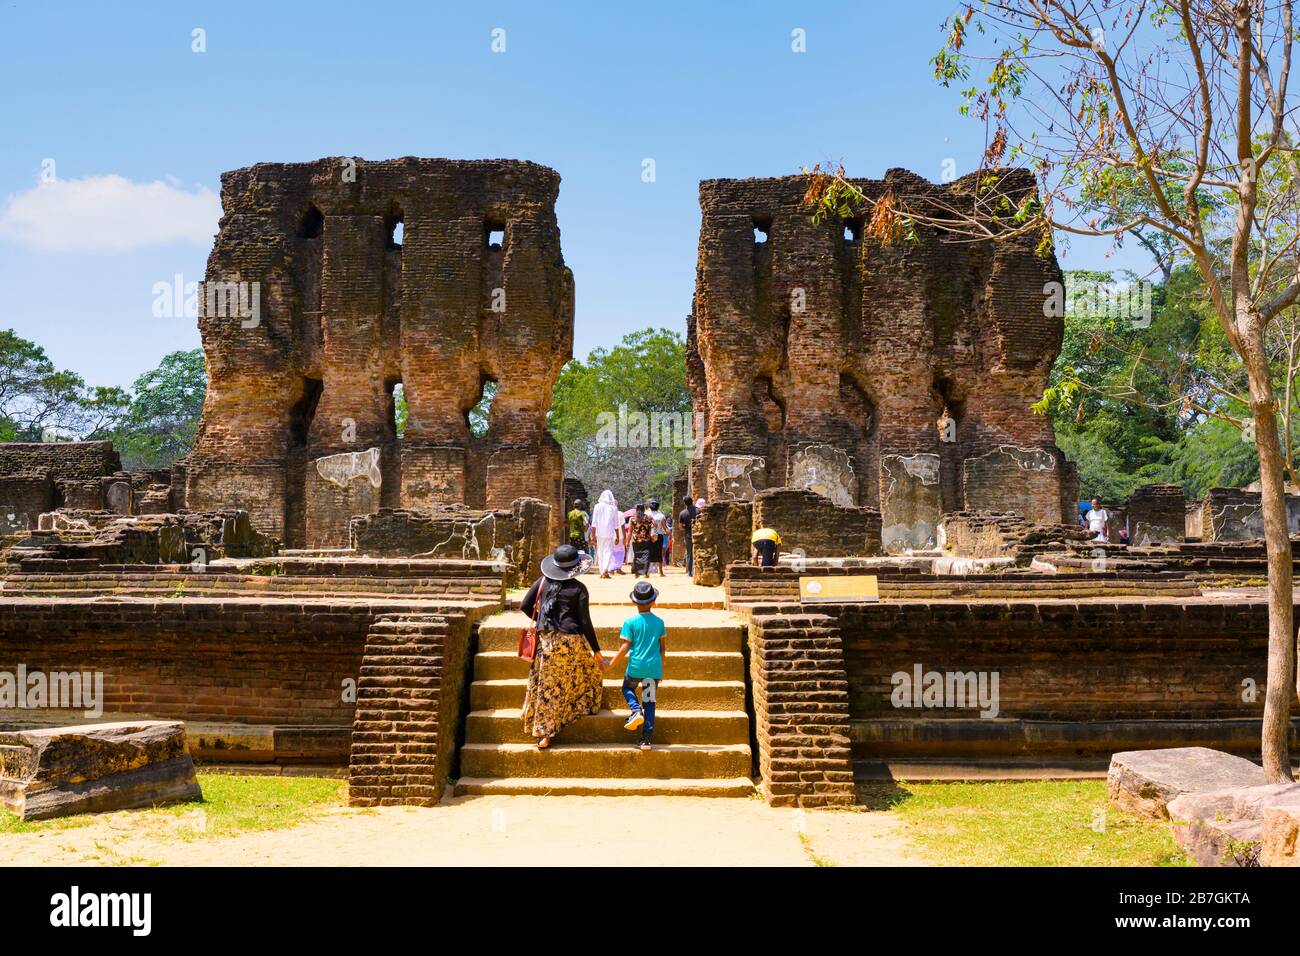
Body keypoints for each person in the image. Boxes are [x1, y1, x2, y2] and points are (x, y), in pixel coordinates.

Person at [519, 544, 604, 750]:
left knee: (548, 687)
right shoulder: (579, 589)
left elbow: (524, 605)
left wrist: (542, 620)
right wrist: (597, 650)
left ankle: (544, 734)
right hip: (571, 642)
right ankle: (577, 707)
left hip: (547, 643)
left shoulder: (542, 582)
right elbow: (585, 622)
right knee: (588, 673)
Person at [605, 580, 666, 750]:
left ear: (634, 601)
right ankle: (646, 739)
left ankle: (635, 710)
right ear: (654, 601)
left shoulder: (630, 623)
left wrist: (610, 663)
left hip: (635, 668)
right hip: (653, 669)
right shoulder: (659, 622)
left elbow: (625, 647)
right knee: (650, 702)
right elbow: (662, 649)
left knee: (627, 688)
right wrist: (660, 671)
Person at [590, 490, 621, 578]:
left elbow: (594, 522)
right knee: (608, 552)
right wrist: (617, 536)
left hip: (599, 533)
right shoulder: (614, 508)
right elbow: (616, 524)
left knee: (600, 551)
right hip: (610, 533)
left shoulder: (597, 506)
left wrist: (592, 535)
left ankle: (602, 571)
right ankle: (605, 570)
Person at [628, 503, 656, 577]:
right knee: (646, 556)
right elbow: (654, 525)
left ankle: (637, 573)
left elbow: (630, 531)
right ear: (643, 509)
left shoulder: (633, 519)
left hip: (636, 540)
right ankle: (646, 573)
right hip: (646, 539)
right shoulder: (648, 518)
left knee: (637, 556)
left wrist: (627, 542)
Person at [678, 497, 700, 575]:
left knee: (689, 553)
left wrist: (686, 527)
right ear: (692, 501)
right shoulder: (698, 511)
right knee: (698, 552)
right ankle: (698, 572)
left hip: (688, 534)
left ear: (685, 503)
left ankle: (690, 572)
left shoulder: (682, 513)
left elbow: (680, 527)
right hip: (698, 534)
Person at [647, 499, 668, 577]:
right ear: (658, 507)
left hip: (649, 536)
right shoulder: (661, 516)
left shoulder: (646, 514)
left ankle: (647, 572)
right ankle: (661, 572)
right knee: (659, 553)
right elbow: (664, 527)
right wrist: (668, 533)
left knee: (648, 553)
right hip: (659, 536)